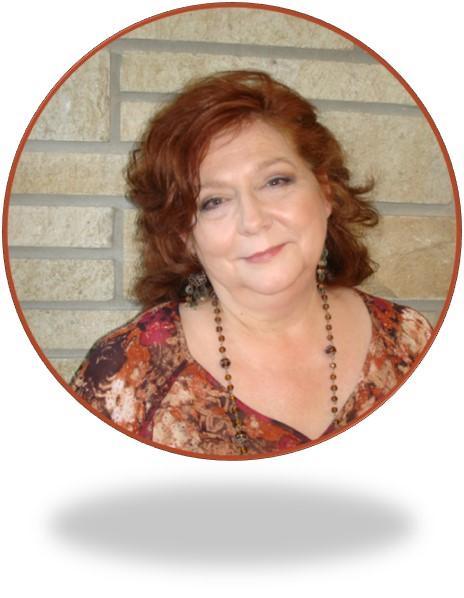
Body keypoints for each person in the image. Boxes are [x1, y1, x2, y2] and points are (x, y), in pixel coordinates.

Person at [70, 70, 433, 458]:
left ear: (325, 192)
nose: (254, 220)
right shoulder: (126, 374)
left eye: (275, 181)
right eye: (214, 201)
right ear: (185, 236)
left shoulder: (410, 341)